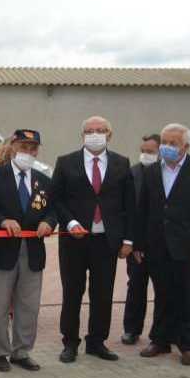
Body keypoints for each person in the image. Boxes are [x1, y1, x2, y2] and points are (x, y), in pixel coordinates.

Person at [51, 116, 135, 363]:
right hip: (74, 238)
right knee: (72, 292)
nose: (94, 134)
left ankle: (97, 342)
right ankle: (70, 343)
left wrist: (129, 240)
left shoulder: (122, 163)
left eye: (100, 130)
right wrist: (70, 221)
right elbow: (56, 199)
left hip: (107, 241)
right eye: (89, 131)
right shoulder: (66, 162)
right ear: (82, 135)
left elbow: (129, 204)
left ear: (109, 135)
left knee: (103, 293)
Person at [0, 130, 56, 373]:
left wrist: (50, 222)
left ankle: (22, 351)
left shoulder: (43, 180)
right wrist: (2, 221)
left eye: (33, 148)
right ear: (12, 146)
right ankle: (0, 352)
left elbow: (53, 210)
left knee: (28, 305)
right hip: (2, 251)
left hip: (33, 251)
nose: (29, 152)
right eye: (24, 147)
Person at [135, 124, 190, 366]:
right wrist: (139, 243)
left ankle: (188, 345)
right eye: (164, 142)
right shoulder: (152, 171)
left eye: (173, 144)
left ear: (185, 146)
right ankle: (161, 339)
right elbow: (143, 209)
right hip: (158, 245)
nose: (166, 147)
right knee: (163, 294)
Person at [121, 133, 161, 345]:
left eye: (150, 152)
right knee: (136, 286)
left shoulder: (166, 174)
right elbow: (129, 211)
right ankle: (131, 329)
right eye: (143, 151)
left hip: (163, 245)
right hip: (136, 246)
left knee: (165, 291)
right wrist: (134, 243)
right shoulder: (132, 173)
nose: (145, 155)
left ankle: (162, 334)